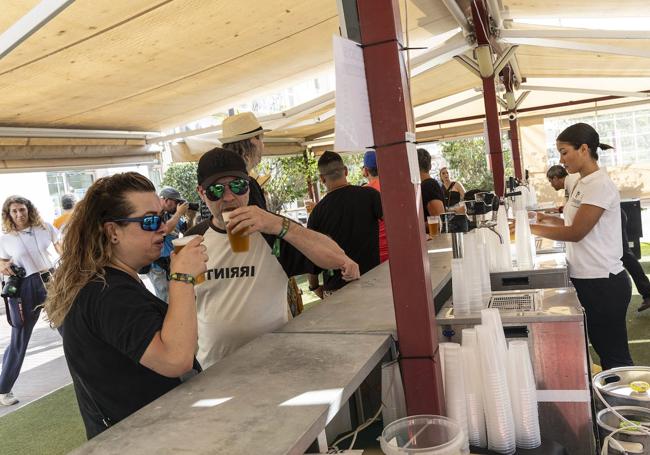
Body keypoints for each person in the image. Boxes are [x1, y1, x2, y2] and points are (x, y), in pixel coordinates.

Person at [44, 172, 207, 438]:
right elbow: (176, 361)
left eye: (162, 218)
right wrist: (182, 277)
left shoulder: (104, 282)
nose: (163, 228)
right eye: (149, 221)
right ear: (112, 231)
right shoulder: (108, 293)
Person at [184, 148, 359, 369]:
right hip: (214, 369)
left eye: (238, 186)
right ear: (201, 193)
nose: (229, 197)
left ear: (248, 185)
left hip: (275, 365)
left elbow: (337, 258)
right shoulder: (192, 240)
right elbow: (184, 305)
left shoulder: (272, 230)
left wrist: (277, 224)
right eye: (216, 190)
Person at [531, 123, 633, 370]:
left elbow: (576, 232)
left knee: (615, 358)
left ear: (584, 149)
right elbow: (572, 221)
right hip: (589, 280)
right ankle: (617, 405)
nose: (561, 159)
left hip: (604, 282)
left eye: (564, 152)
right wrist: (543, 219)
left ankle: (629, 407)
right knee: (605, 352)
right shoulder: (582, 182)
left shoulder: (599, 184)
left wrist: (530, 229)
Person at [546, 164, 650, 313]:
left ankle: (647, 292)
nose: (551, 185)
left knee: (625, 254)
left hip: (610, 216)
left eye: (551, 181)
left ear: (556, 178)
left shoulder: (576, 179)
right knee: (624, 254)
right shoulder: (572, 183)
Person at [0, 196, 60, 406]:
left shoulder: (45, 228)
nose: (19, 214)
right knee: (20, 338)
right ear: (9, 214)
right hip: (25, 286)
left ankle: (89, 371)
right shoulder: (5, 237)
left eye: (22, 210)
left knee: (67, 326)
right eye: (14, 211)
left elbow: (60, 247)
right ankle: (3, 389)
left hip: (50, 279)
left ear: (29, 210)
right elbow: (1, 261)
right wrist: (2, 265)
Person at [307, 151, 383, 296]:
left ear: (322, 179)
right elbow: (395, 226)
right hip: (372, 282)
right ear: (346, 171)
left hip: (336, 289)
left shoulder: (317, 213)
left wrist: (314, 286)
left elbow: (311, 255)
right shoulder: (370, 196)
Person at [146, 187, 190, 302]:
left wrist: (190, 216)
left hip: (170, 263)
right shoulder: (153, 215)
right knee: (165, 299)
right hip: (158, 266)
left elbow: (187, 232)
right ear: (165, 200)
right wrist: (179, 213)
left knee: (176, 297)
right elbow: (164, 230)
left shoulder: (172, 217)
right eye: (176, 202)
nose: (177, 205)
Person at [219, 111, 269, 209]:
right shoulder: (245, 185)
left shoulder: (215, 186)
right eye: (261, 140)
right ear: (253, 141)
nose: (263, 145)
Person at [362, 150, 388, 263]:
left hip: (376, 255)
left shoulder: (363, 193)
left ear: (366, 170)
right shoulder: (392, 187)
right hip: (397, 249)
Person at [417, 148, 445, 230]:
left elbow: (438, 220)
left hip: (434, 240)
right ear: (430, 166)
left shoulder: (428, 186)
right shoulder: (427, 185)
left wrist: (416, 226)